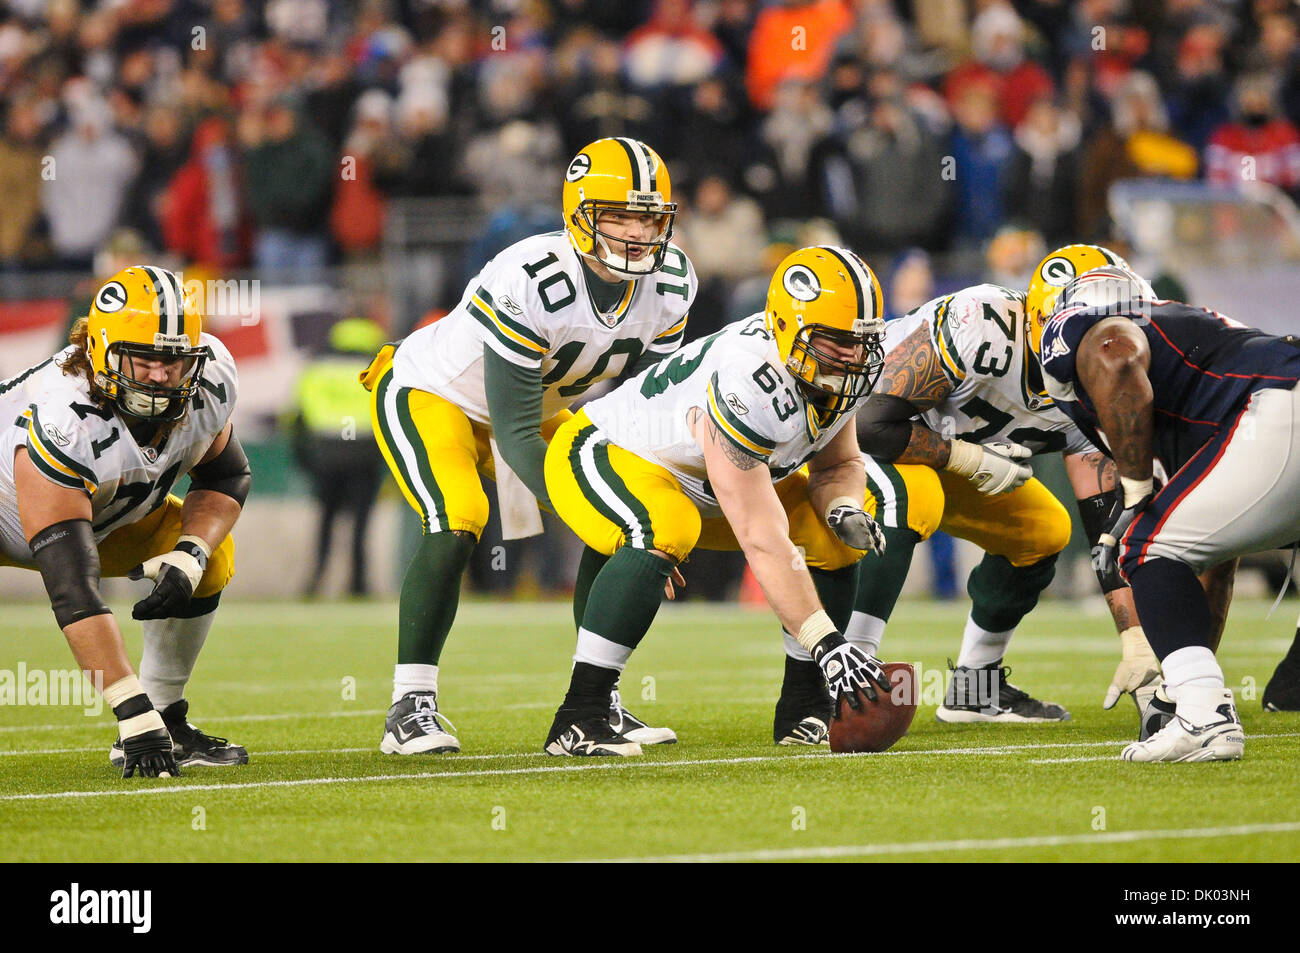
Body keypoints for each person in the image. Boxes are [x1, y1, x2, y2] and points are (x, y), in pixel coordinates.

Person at [361, 138, 696, 755]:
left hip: (540, 407)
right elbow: (513, 433)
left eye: (649, 217)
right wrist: (590, 505)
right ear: (580, 212)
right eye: (619, 214)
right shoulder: (532, 276)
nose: (637, 232)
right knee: (460, 517)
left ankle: (596, 699)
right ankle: (410, 705)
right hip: (435, 394)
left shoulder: (671, 284)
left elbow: (653, 410)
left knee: (626, 513)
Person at [541, 245, 906, 755]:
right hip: (610, 450)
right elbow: (761, 538)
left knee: (833, 540)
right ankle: (580, 716)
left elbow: (839, 465)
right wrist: (825, 642)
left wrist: (841, 506)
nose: (852, 357)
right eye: (836, 342)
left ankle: (803, 708)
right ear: (786, 327)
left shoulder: (832, 370)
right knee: (666, 527)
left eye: (862, 343)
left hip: (701, 482)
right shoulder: (749, 380)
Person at [854, 245, 1165, 726]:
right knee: (913, 497)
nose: (1112, 343)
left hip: (943, 456)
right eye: (1095, 325)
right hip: (846, 434)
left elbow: (1108, 525)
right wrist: (965, 456)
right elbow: (870, 424)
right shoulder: (982, 322)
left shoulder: (1098, 386)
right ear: (1047, 320)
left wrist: (1138, 642)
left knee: (1043, 531)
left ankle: (975, 688)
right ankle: (848, 673)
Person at [1034, 264, 1300, 760]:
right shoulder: (1198, 357)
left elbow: (1113, 357)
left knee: (1146, 545)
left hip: (1279, 412)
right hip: (1276, 408)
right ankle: (1200, 704)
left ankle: (1204, 720)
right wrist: (1177, 682)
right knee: (1175, 544)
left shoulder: (1082, 324)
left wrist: (1135, 491)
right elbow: (1215, 562)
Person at [0, 266, 250, 777]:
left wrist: (190, 553)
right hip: (17, 519)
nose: (161, 375)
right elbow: (72, 588)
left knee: (212, 553)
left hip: (99, 520)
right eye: (145, 359)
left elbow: (225, 476)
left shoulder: (211, 381)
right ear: (101, 350)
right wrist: (127, 709)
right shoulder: (62, 416)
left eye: (174, 361)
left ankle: (167, 716)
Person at [289, 318, 387, 597]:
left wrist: (304, 460)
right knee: (361, 523)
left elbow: (295, 416)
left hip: (326, 454)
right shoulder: (378, 367)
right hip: (366, 454)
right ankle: (358, 585)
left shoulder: (317, 367)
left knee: (326, 519)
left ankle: (315, 581)